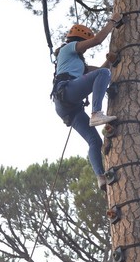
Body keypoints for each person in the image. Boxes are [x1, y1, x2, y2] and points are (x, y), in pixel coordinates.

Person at [51, 16, 119, 190]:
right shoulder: (68, 49)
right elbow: (97, 40)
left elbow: (101, 71)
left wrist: (111, 60)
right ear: (80, 40)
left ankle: (100, 177)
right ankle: (96, 113)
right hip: (66, 92)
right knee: (103, 74)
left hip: (68, 106)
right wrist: (113, 22)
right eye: (84, 43)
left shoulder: (78, 64)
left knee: (94, 141)